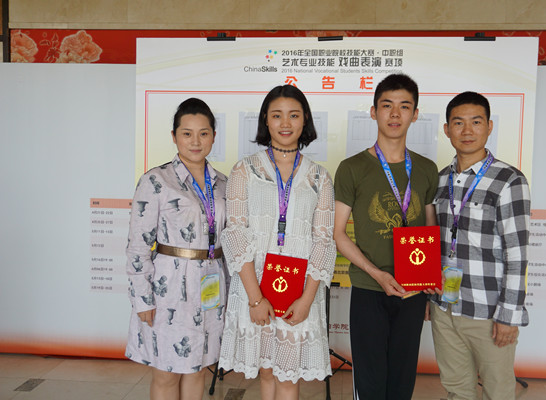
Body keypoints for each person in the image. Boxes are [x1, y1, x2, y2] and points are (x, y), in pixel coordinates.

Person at [218, 85, 336, 400]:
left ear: (305, 119)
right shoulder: (244, 170)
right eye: (277, 115)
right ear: (265, 120)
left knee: (288, 376)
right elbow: (235, 233)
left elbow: (324, 241)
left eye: (294, 115)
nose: (285, 123)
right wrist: (255, 300)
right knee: (266, 373)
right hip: (254, 287)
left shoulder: (319, 176)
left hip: (300, 292)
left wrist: (307, 300)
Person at [333, 73, 438, 400]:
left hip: (413, 291)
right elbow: (338, 234)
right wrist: (377, 274)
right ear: (373, 111)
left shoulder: (426, 169)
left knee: (402, 382)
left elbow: (429, 229)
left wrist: (428, 284)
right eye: (387, 105)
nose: (395, 114)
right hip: (369, 288)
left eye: (404, 106)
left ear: (415, 114)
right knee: (370, 383)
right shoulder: (352, 168)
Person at [125, 98, 228, 400]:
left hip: (211, 285)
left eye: (203, 133)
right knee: (166, 373)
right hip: (167, 289)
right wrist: (142, 299)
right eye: (187, 133)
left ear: (213, 136)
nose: (195, 141)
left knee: (198, 369)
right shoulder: (156, 180)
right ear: (174, 136)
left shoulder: (223, 183)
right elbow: (137, 246)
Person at [429, 91, 530, 400]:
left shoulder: (509, 180)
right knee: (456, 389)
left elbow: (517, 253)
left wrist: (509, 315)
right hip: (445, 306)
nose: (467, 131)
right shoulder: (440, 180)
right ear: (447, 129)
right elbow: (434, 242)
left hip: (488, 311)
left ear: (489, 127)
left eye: (476, 122)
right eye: (458, 123)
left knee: (498, 391)